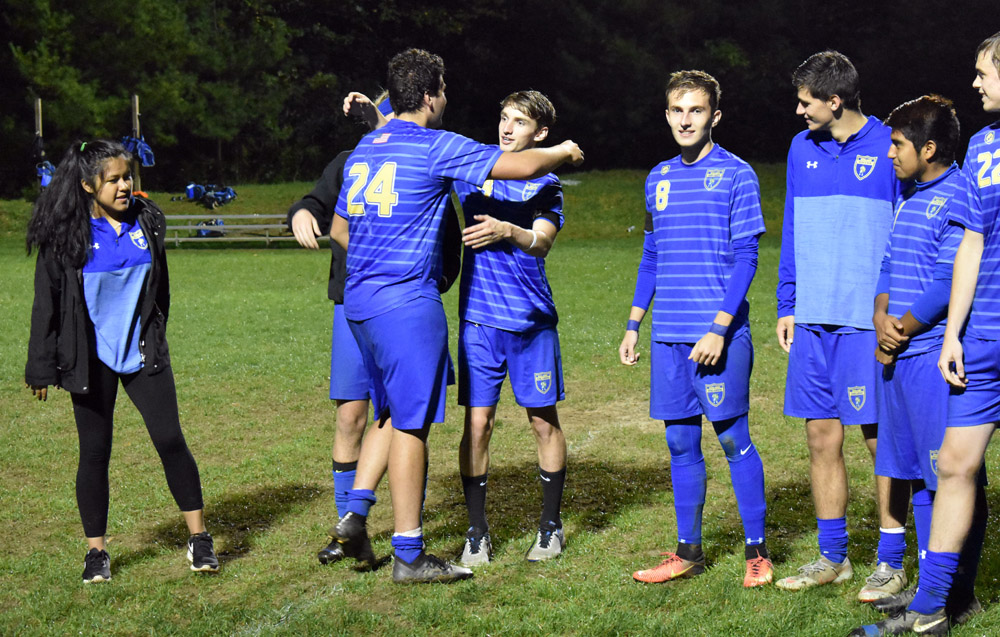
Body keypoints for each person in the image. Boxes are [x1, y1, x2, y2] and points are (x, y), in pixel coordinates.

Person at [329, 48, 583, 583]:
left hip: (358, 305)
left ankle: (357, 510)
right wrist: (563, 149)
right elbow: (521, 165)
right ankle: (409, 552)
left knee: (389, 413)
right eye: (443, 90)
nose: (447, 99)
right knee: (411, 426)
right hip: (407, 306)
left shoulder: (366, 149)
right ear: (429, 96)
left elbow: (340, 230)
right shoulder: (436, 146)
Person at [24, 139, 219, 583]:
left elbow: (159, 288)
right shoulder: (67, 236)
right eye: (113, 179)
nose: (124, 185)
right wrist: (40, 366)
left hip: (143, 352)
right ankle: (96, 553)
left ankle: (200, 538)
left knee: (170, 440)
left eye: (127, 176)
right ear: (88, 185)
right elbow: (46, 304)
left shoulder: (147, 221)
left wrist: (156, 331)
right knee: (94, 453)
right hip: (89, 361)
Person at [863, 32, 1000, 635]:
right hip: (981, 336)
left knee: (949, 469)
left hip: (940, 343)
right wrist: (953, 334)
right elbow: (972, 244)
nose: (975, 82)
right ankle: (934, 606)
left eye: (984, 71)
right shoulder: (986, 147)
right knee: (952, 469)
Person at [288, 93, 461, 567]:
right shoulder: (353, 160)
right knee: (353, 417)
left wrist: (432, 281)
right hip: (353, 307)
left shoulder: (425, 164)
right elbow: (314, 203)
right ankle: (350, 530)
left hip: (401, 311)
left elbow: (448, 244)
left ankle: (397, 528)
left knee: (407, 417)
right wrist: (300, 213)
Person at [619, 70, 771, 588]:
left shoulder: (736, 174)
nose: (686, 120)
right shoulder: (657, 178)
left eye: (697, 110)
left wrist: (719, 329)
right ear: (667, 115)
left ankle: (757, 553)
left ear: (715, 116)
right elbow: (651, 256)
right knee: (681, 444)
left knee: (733, 440)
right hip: (668, 336)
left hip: (716, 337)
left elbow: (748, 258)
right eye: (678, 110)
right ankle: (689, 552)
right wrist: (634, 324)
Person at [774, 51, 901, 593]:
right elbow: (792, 227)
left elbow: (906, 231)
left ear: (835, 100)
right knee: (821, 437)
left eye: (806, 102)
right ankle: (833, 558)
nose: (799, 111)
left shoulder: (891, 144)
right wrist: (787, 303)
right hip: (812, 319)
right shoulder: (801, 147)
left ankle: (891, 559)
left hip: (864, 322)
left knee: (880, 442)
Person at [453, 90, 568, 566]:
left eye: (519, 122)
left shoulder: (547, 182)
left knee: (542, 421)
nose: (506, 127)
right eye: (504, 118)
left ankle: (550, 527)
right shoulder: (470, 169)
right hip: (479, 321)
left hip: (530, 323)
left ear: (540, 133)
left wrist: (508, 230)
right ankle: (476, 531)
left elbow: (542, 242)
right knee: (477, 424)